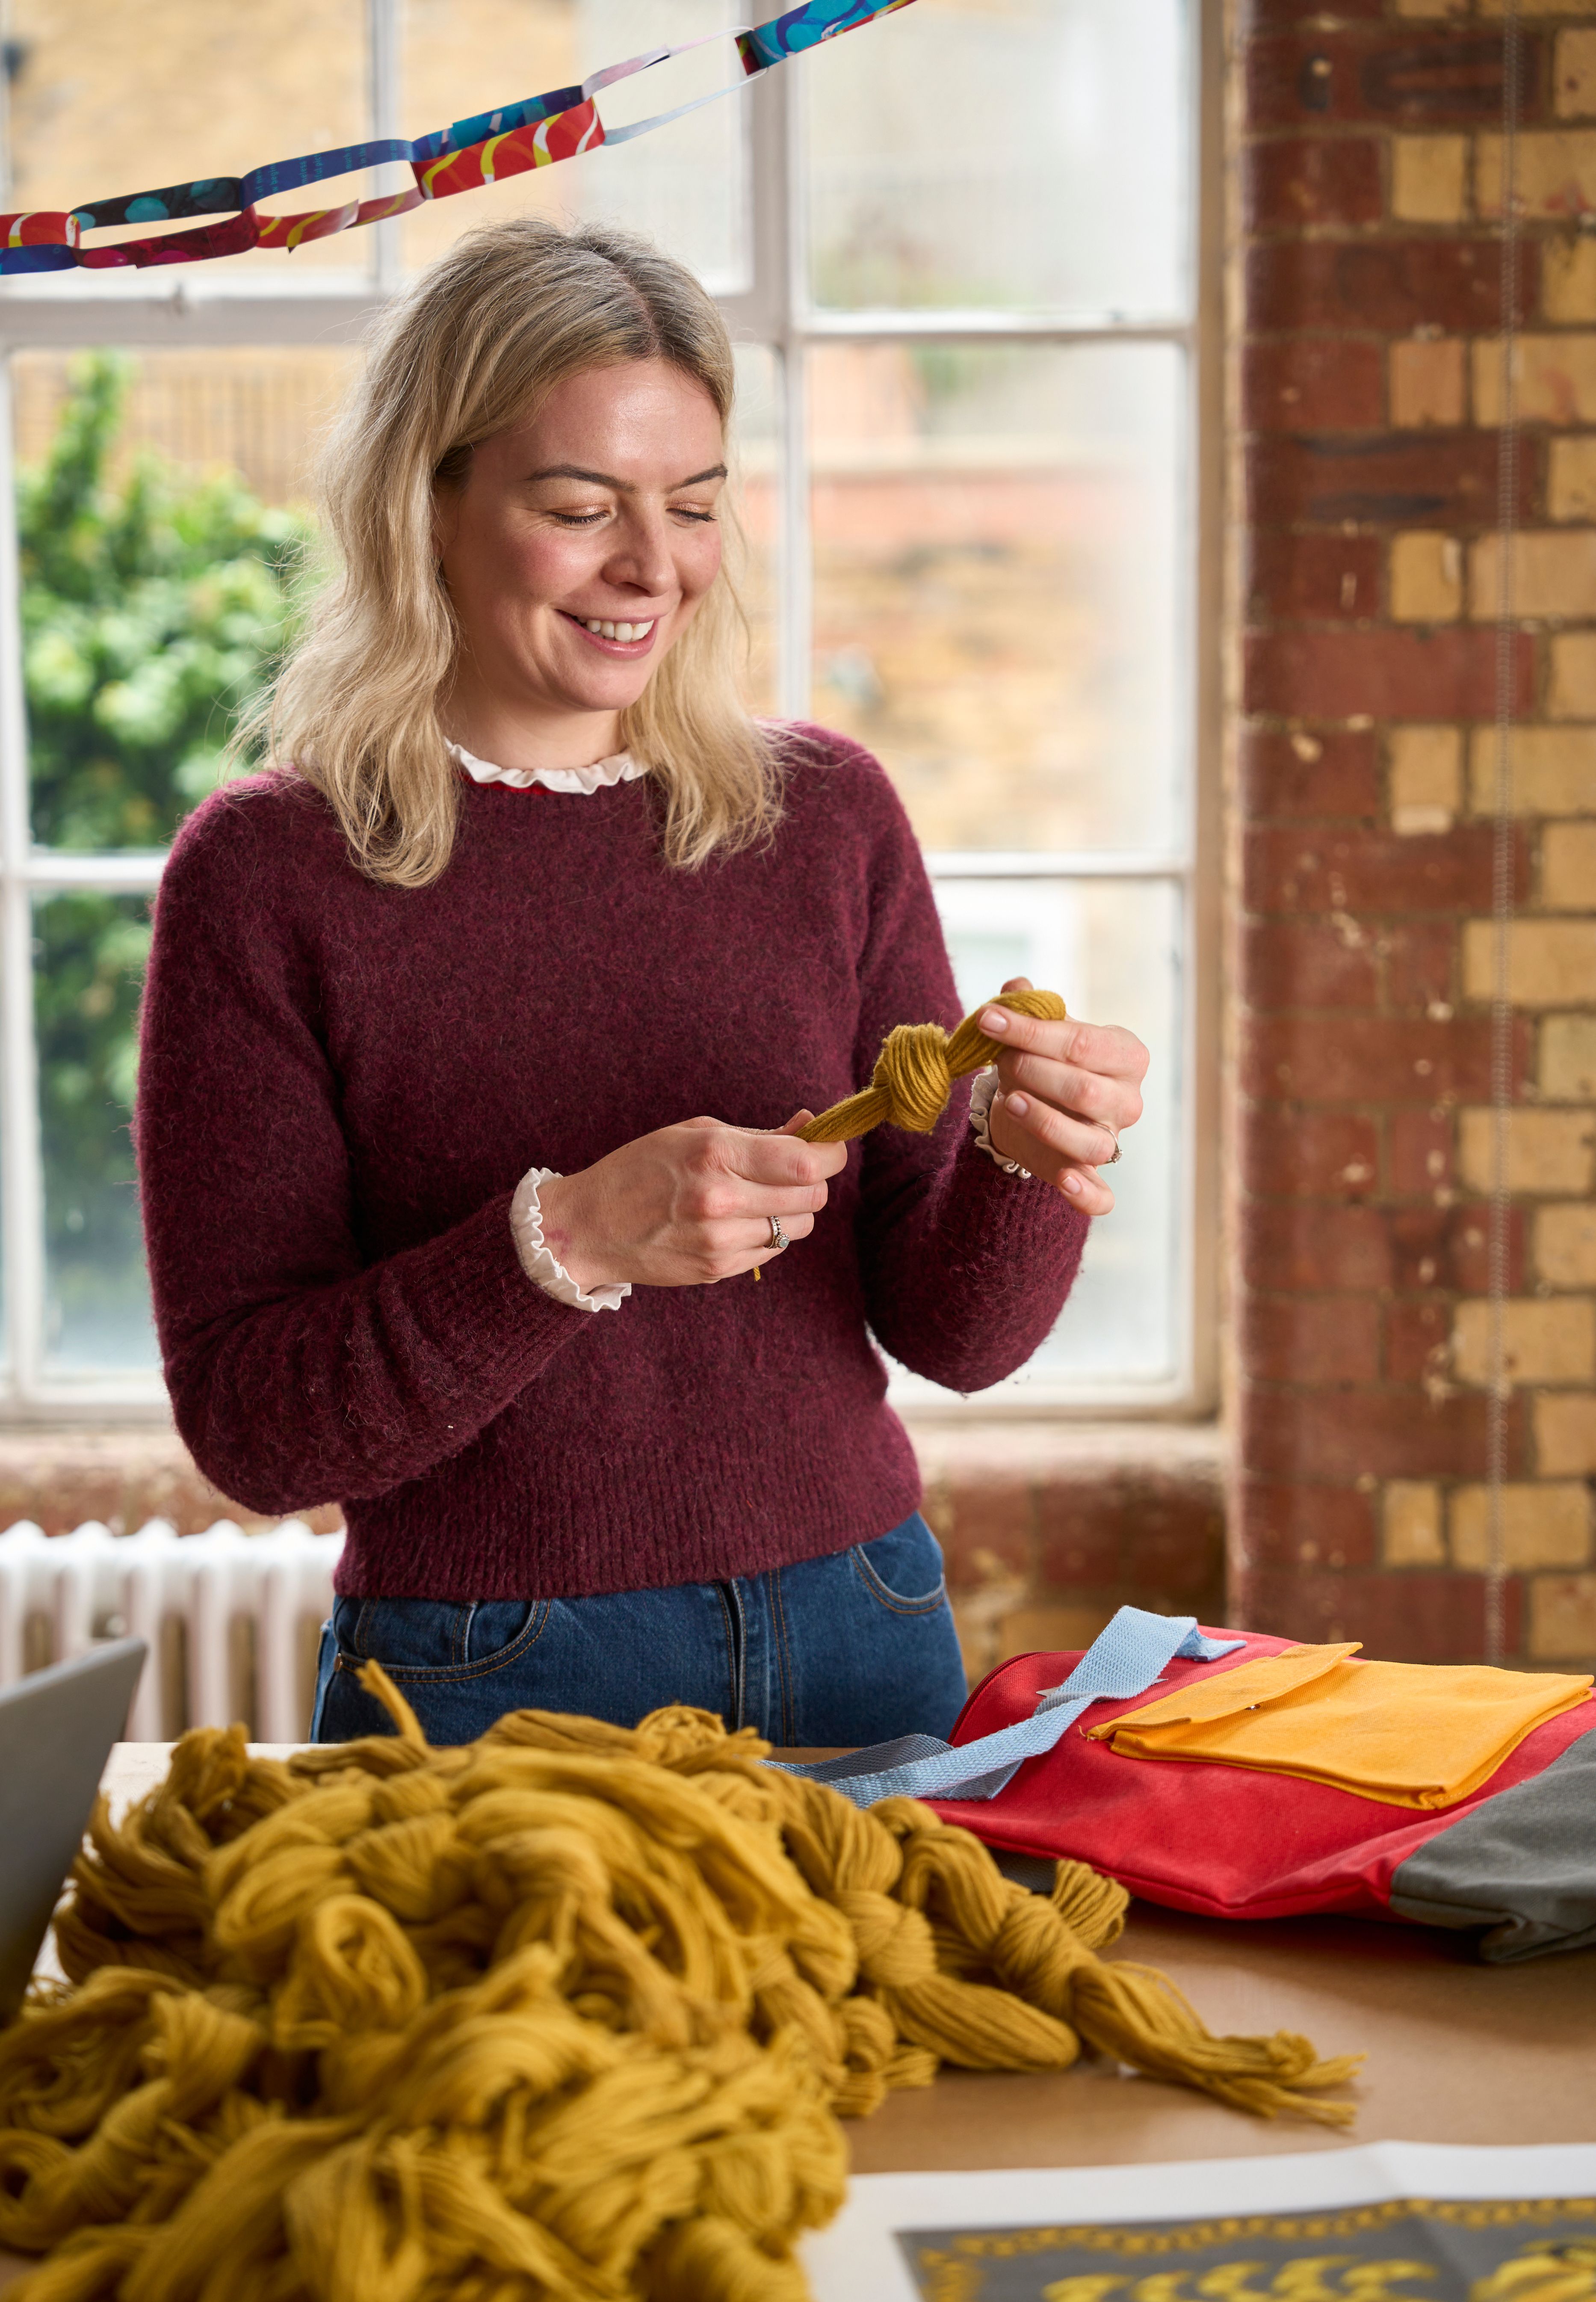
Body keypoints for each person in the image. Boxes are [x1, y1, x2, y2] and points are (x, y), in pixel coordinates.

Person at [134, 218, 1149, 1751]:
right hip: (483, 1672)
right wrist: (566, 1238)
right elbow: (257, 1432)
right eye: (577, 505)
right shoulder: (270, 875)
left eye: (692, 503)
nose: (651, 565)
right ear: (430, 503)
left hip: (862, 1628)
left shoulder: (826, 818)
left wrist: (1021, 1161)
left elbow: (959, 1338)